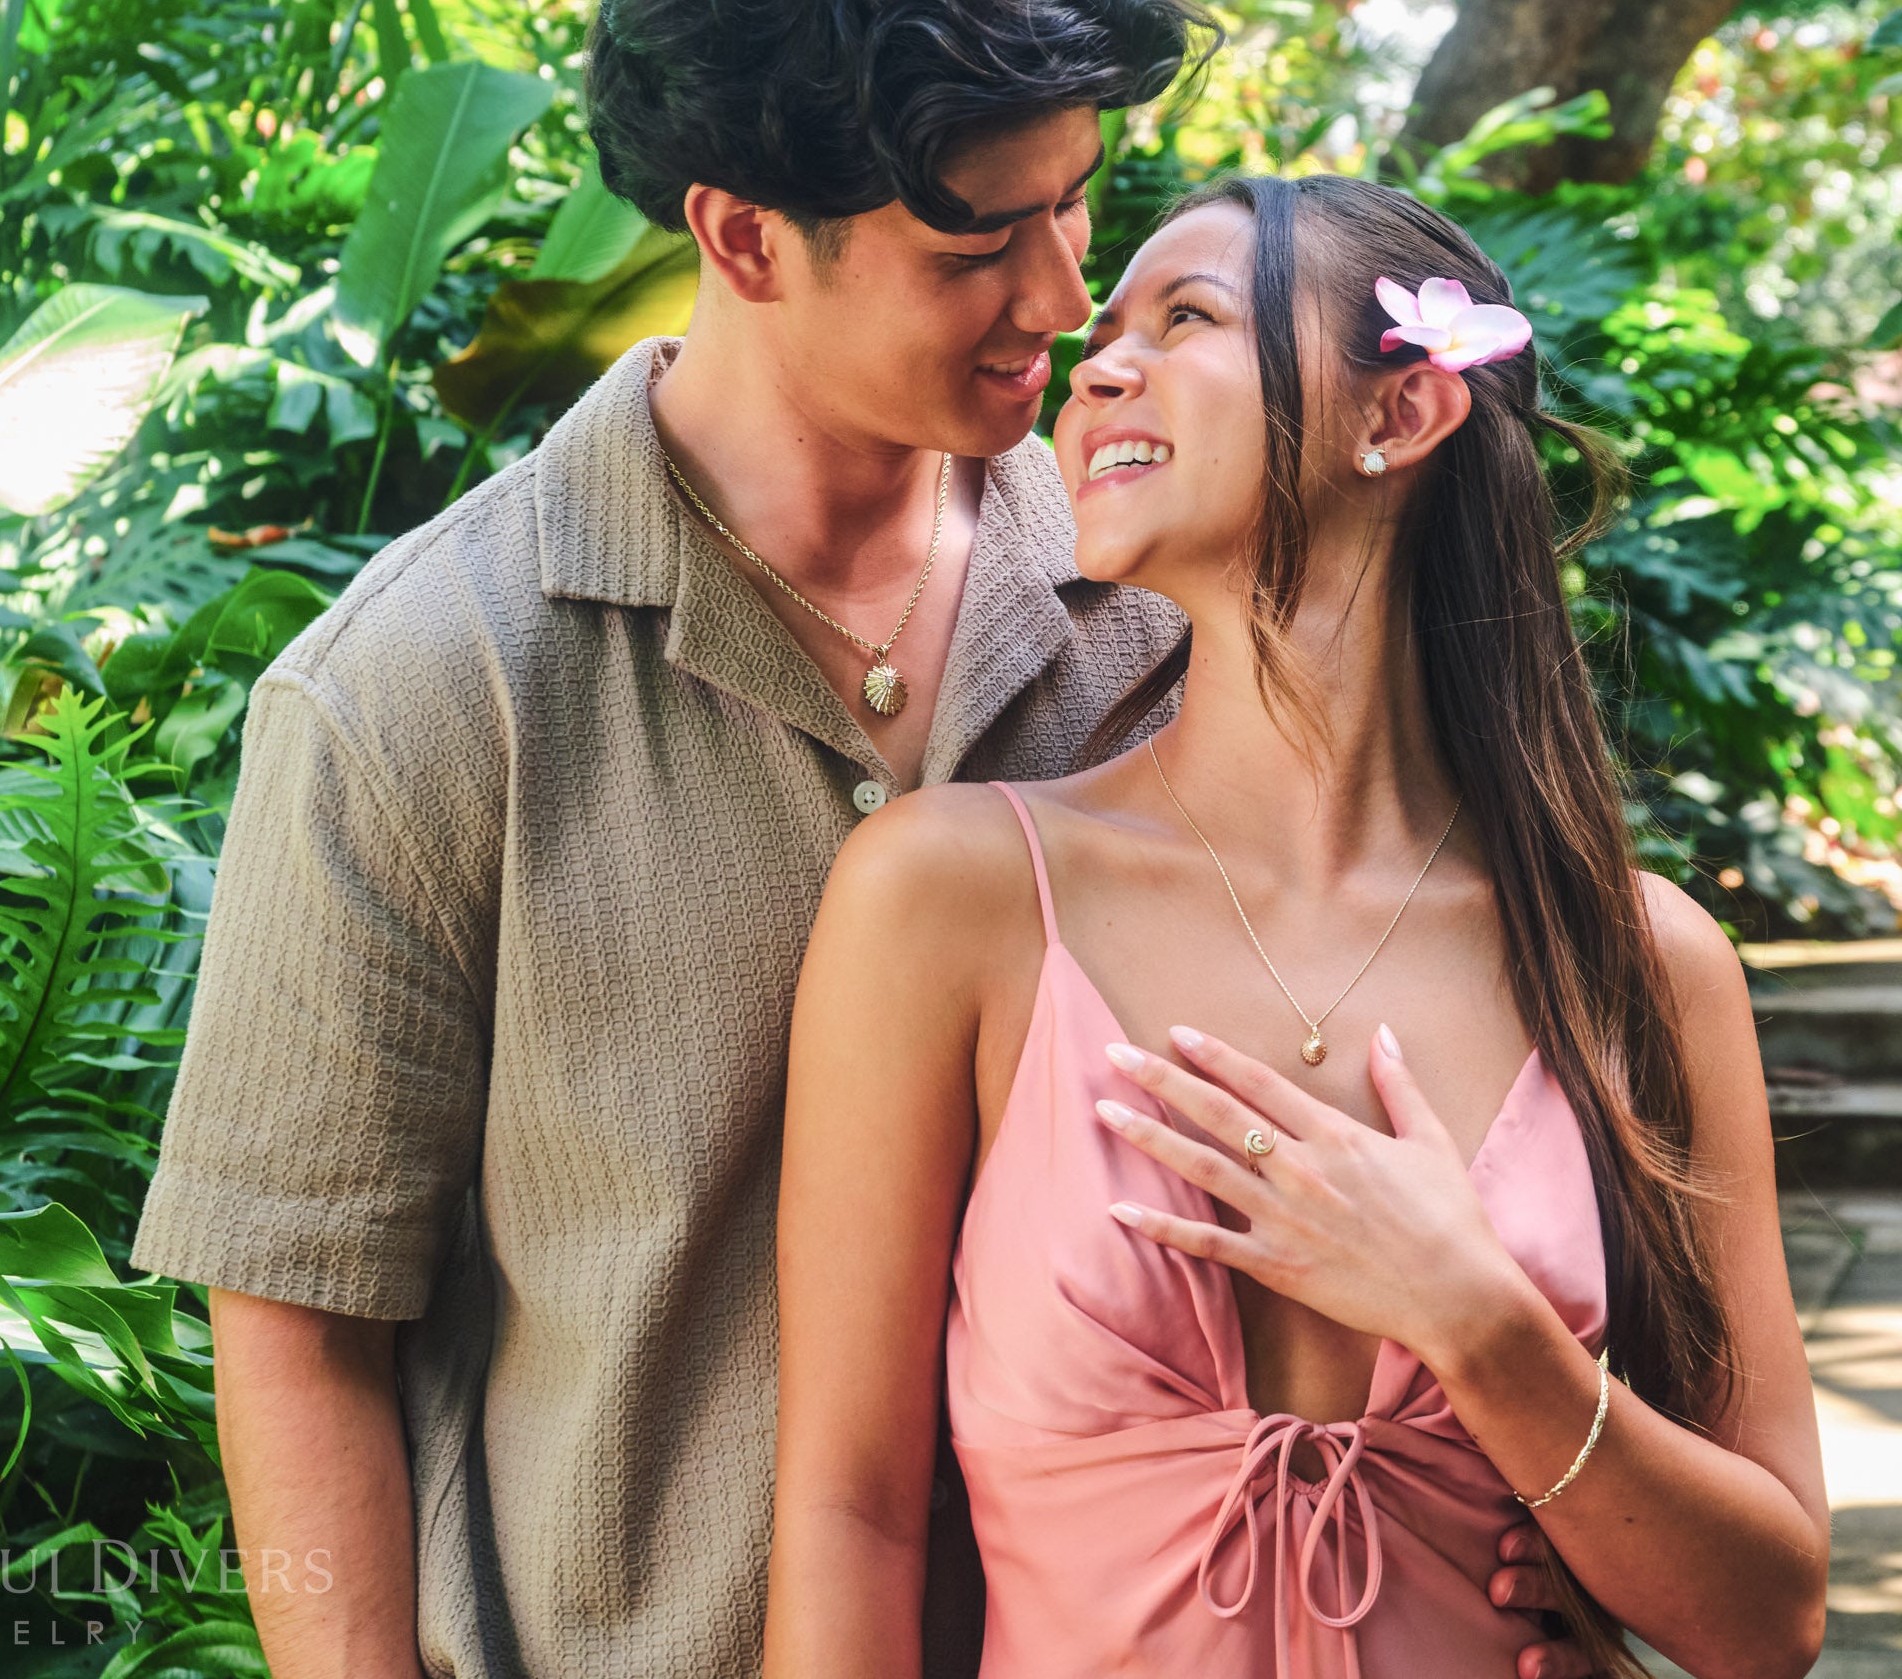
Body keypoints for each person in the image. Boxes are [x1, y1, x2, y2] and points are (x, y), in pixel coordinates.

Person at [131, 0, 1606, 1679]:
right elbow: (297, 1319)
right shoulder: (418, 689)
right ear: (744, 238)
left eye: (1080, 207)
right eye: (980, 243)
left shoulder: (1177, 612)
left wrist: (1552, 1515)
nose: (1068, 304)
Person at [766, 174, 1829, 1679]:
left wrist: (1489, 1332)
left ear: (1397, 418)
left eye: (1185, 317)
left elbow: (1771, 1621)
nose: (1097, 365)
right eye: (1106, 336)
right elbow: (852, 1514)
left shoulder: (1640, 963)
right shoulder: (955, 896)